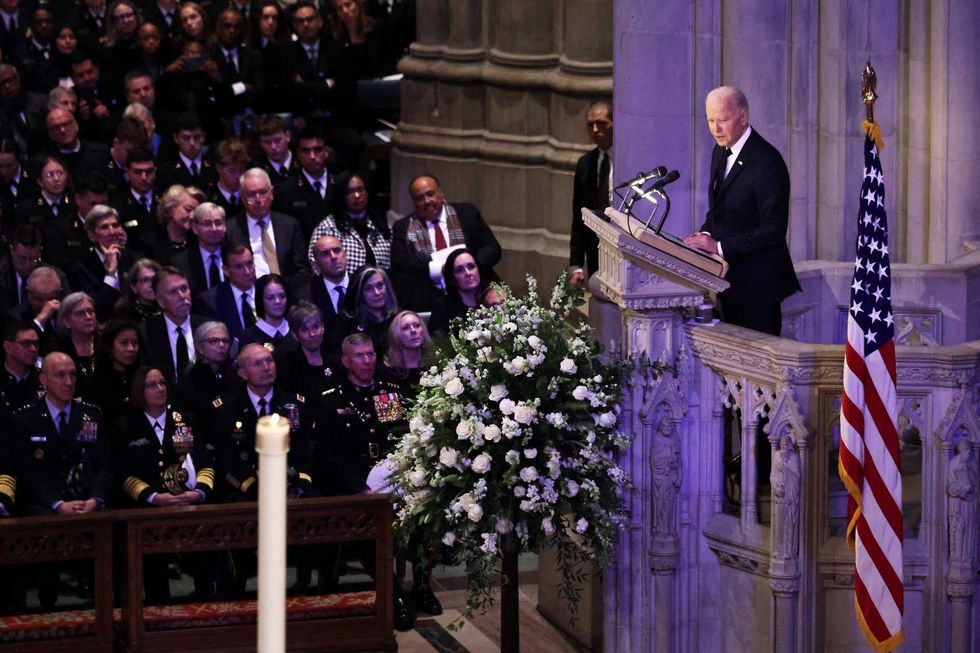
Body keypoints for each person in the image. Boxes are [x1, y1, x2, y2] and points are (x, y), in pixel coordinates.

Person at [682, 86, 800, 336]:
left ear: (743, 117)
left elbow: (773, 231)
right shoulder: (720, 151)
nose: (715, 129)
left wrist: (718, 247)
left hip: (758, 287)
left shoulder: (767, 162)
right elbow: (719, 210)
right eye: (711, 120)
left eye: (722, 120)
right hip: (727, 282)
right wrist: (702, 236)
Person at [210, 343, 314, 500]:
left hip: (291, 486)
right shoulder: (226, 409)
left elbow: (304, 452)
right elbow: (227, 461)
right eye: (257, 364)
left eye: (269, 361)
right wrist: (255, 489)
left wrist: (297, 486)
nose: (266, 367)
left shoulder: (295, 404)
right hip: (248, 490)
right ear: (242, 373)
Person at [390, 174, 501, 312]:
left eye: (430, 194)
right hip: (432, 300)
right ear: (413, 201)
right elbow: (400, 264)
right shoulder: (403, 227)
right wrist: (439, 270)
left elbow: (493, 249)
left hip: (478, 293)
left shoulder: (466, 213)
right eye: (419, 198)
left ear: (441, 193)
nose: (426, 201)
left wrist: (464, 266)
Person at [225, 167, 309, 283]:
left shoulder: (289, 225)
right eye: (252, 194)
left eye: (263, 192)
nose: (258, 199)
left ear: (272, 193)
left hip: (287, 292)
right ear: (242, 197)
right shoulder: (230, 229)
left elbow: (301, 269)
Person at [307, 170, 391, 276]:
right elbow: (314, 261)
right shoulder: (328, 227)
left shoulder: (379, 223)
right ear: (341, 196)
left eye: (360, 190)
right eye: (350, 192)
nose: (357, 195)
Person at [568, 100, 612, 286]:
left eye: (602, 123)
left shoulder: (630, 159)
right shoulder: (585, 164)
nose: (595, 130)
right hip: (596, 253)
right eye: (590, 125)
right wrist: (576, 265)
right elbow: (579, 218)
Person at [139, 266, 206, 383]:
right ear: (160, 301)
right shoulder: (145, 332)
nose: (182, 296)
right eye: (173, 291)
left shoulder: (207, 327)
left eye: (184, 288)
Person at [328, 265, 398, 356]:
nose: (377, 292)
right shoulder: (345, 323)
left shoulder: (398, 318)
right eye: (368, 289)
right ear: (359, 293)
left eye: (380, 285)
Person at [197, 242, 258, 344]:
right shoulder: (211, 302)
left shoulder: (269, 291)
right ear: (226, 270)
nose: (247, 272)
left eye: (249, 263)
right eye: (239, 267)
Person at [176, 320, 239, 415]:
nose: (222, 345)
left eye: (225, 341)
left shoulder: (236, 375)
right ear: (200, 348)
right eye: (214, 341)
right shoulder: (189, 380)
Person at [277, 300, 335, 397]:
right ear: (295, 335)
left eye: (315, 327)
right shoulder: (287, 368)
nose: (312, 334)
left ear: (322, 327)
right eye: (304, 330)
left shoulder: (335, 363)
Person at [87, 318, 140, 423]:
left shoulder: (142, 376)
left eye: (134, 343)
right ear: (109, 347)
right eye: (124, 343)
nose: (131, 348)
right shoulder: (96, 382)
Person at [428, 247, 487, 336]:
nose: (468, 273)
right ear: (452, 278)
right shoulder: (442, 308)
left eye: (471, 267)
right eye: (460, 270)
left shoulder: (493, 300)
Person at [54, 291, 99, 399]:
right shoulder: (58, 349)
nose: (88, 317)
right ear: (67, 322)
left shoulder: (106, 344)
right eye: (80, 313)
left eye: (90, 311)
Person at [239, 272, 297, 354]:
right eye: (270, 298)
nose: (277, 301)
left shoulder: (296, 329)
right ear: (261, 301)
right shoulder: (248, 337)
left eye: (282, 296)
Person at [146, 183, 205, 263]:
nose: (192, 216)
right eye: (188, 209)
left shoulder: (198, 240)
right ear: (170, 209)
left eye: (196, 211)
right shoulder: (150, 243)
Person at [303, 234, 348, 333]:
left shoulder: (362, 285)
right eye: (325, 254)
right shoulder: (306, 295)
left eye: (337, 250)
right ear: (316, 263)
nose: (333, 257)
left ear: (345, 255)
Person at [380, 310, 432, 393]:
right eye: (405, 328)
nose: (413, 330)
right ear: (396, 336)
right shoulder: (384, 374)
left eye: (417, 325)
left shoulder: (436, 367)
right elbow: (384, 405)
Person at [0, 320, 42, 419]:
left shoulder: (45, 380)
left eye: (36, 343)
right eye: (26, 343)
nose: (33, 349)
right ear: (8, 347)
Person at [113, 258, 162, 324]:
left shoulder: (168, 305)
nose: (151, 284)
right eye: (145, 280)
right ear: (134, 287)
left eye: (154, 278)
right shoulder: (124, 315)